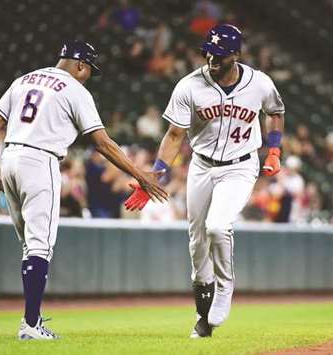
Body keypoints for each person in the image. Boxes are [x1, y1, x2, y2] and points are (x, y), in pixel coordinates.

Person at [0, 40, 168, 340]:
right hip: (40, 160)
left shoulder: (23, 79)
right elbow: (103, 143)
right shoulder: (74, 89)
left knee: (31, 246)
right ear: (80, 65)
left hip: (9, 159)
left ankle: (33, 318)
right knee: (40, 246)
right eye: (89, 70)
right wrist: (140, 175)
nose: (88, 75)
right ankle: (30, 325)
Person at [124, 24, 285, 338]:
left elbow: (275, 111)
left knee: (217, 226)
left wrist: (275, 149)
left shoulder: (259, 83)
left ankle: (225, 288)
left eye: (220, 53)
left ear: (236, 55)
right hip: (201, 166)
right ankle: (203, 317)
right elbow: (173, 135)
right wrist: (155, 174)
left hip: (240, 166)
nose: (212, 57)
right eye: (209, 51)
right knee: (197, 245)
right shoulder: (189, 86)